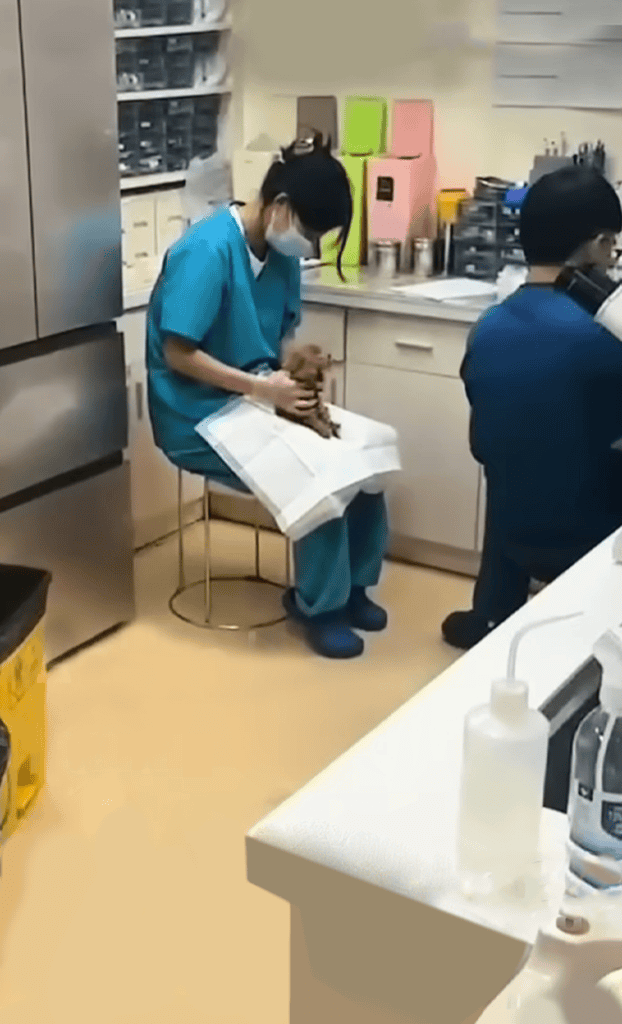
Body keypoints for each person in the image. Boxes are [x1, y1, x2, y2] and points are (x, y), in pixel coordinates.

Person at [146, 135, 390, 659]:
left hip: (253, 399)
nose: (313, 245)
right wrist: (262, 387)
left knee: (365, 456)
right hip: (194, 413)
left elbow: (266, 341)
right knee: (319, 470)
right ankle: (318, 607)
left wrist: (296, 365)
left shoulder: (277, 256)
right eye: (312, 231)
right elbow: (178, 354)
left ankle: (353, 589)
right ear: (281, 208)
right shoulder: (206, 252)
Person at [442, 166, 622, 651]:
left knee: (518, 462)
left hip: (517, 526)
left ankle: (491, 614)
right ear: (600, 244)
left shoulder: (488, 327)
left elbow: (485, 441)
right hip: (596, 534)